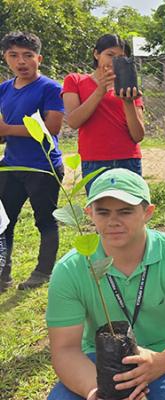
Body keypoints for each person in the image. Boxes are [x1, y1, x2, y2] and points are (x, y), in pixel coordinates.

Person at [46, 169, 165, 400]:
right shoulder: (70, 269)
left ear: (148, 212)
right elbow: (66, 349)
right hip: (99, 357)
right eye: (103, 212)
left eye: (125, 212)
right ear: (89, 213)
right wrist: (98, 392)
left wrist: (159, 362)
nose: (113, 222)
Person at [0, 31, 65, 291]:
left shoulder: (50, 88)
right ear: (5, 58)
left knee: (45, 220)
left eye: (28, 55)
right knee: (4, 222)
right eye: (13, 55)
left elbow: (52, 127)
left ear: (39, 58)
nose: (21, 61)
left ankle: (43, 271)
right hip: (11, 165)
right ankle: (3, 273)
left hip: (43, 166)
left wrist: (6, 129)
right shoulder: (3, 89)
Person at [62, 34, 145, 187]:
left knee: (130, 209)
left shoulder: (128, 86)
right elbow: (73, 121)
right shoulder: (75, 80)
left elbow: (138, 135)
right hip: (94, 160)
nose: (114, 60)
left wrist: (128, 102)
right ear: (96, 54)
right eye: (110, 54)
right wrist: (101, 90)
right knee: (99, 209)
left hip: (128, 158)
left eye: (121, 57)